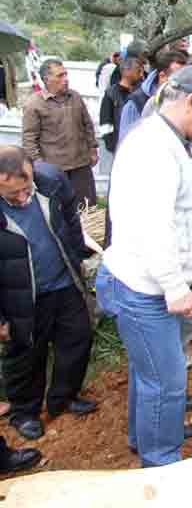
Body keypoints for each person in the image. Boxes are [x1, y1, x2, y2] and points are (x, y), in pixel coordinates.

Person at [96, 66, 192, 467]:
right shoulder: (155, 149)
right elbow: (152, 226)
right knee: (166, 382)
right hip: (145, 288)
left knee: (151, 374)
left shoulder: (169, 142)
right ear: (191, 100)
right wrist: (177, 287)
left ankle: (147, 437)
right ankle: (161, 462)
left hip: (149, 278)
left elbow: (180, 217)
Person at [0, 146, 96, 440]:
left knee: (77, 338)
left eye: (24, 188)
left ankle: (63, 398)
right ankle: (24, 411)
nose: (21, 197)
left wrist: (79, 258)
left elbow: (71, 223)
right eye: (11, 194)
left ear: (33, 172)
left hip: (63, 281)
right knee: (27, 353)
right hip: (18, 295)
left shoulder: (52, 181)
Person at [22, 59, 99, 207]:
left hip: (81, 166)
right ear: (46, 79)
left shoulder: (75, 97)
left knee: (87, 209)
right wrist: (40, 167)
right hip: (54, 170)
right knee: (60, 211)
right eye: (60, 76)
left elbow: (87, 124)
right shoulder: (34, 104)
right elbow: (29, 140)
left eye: (66, 75)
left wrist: (93, 148)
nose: (65, 79)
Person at [117, 49, 188, 145]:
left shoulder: (185, 101)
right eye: (178, 80)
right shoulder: (135, 104)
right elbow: (125, 145)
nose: (182, 85)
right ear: (162, 76)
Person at [99, 57, 143, 155]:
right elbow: (105, 122)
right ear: (126, 71)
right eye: (138, 71)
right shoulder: (111, 94)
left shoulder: (142, 92)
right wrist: (112, 146)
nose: (141, 75)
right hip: (118, 148)